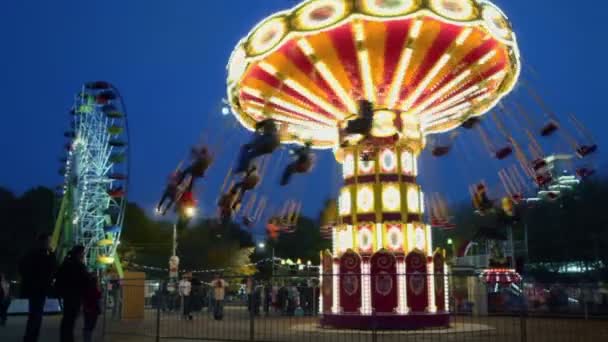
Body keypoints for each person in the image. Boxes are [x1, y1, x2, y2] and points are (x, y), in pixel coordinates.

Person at [19, 233, 57, 342]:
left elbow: (22, 267)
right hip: (40, 289)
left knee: (34, 315)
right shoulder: (45, 255)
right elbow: (54, 267)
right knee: (36, 316)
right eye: (49, 241)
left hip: (33, 288)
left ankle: (30, 338)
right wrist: (52, 253)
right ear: (44, 242)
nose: (50, 244)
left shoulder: (30, 254)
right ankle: (31, 338)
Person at [55, 245, 91, 342]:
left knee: (67, 319)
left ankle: (65, 338)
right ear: (80, 254)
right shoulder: (78, 265)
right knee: (70, 319)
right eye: (83, 253)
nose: (84, 255)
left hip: (68, 294)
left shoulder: (66, 263)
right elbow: (85, 280)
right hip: (75, 295)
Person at [82, 274, 101, 342]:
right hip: (93, 310)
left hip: (88, 310)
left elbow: (84, 300)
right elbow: (98, 300)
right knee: (90, 326)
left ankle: (87, 339)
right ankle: (88, 339)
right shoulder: (95, 290)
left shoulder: (87, 289)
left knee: (88, 325)